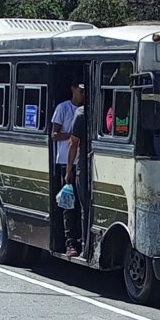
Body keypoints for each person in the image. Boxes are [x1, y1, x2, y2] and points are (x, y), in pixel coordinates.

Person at [51, 79, 85, 257]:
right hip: (65, 163)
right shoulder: (63, 108)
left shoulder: (86, 109)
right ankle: (69, 243)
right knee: (68, 205)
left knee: (80, 205)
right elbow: (54, 134)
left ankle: (81, 241)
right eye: (80, 91)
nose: (82, 94)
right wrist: (72, 137)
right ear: (73, 89)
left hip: (80, 163)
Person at [66, 104, 88, 258]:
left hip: (83, 168)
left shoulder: (80, 113)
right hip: (90, 168)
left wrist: (68, 171)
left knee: (84, 208)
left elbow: (73, 144)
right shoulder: (105, 108)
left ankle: (85, 246)